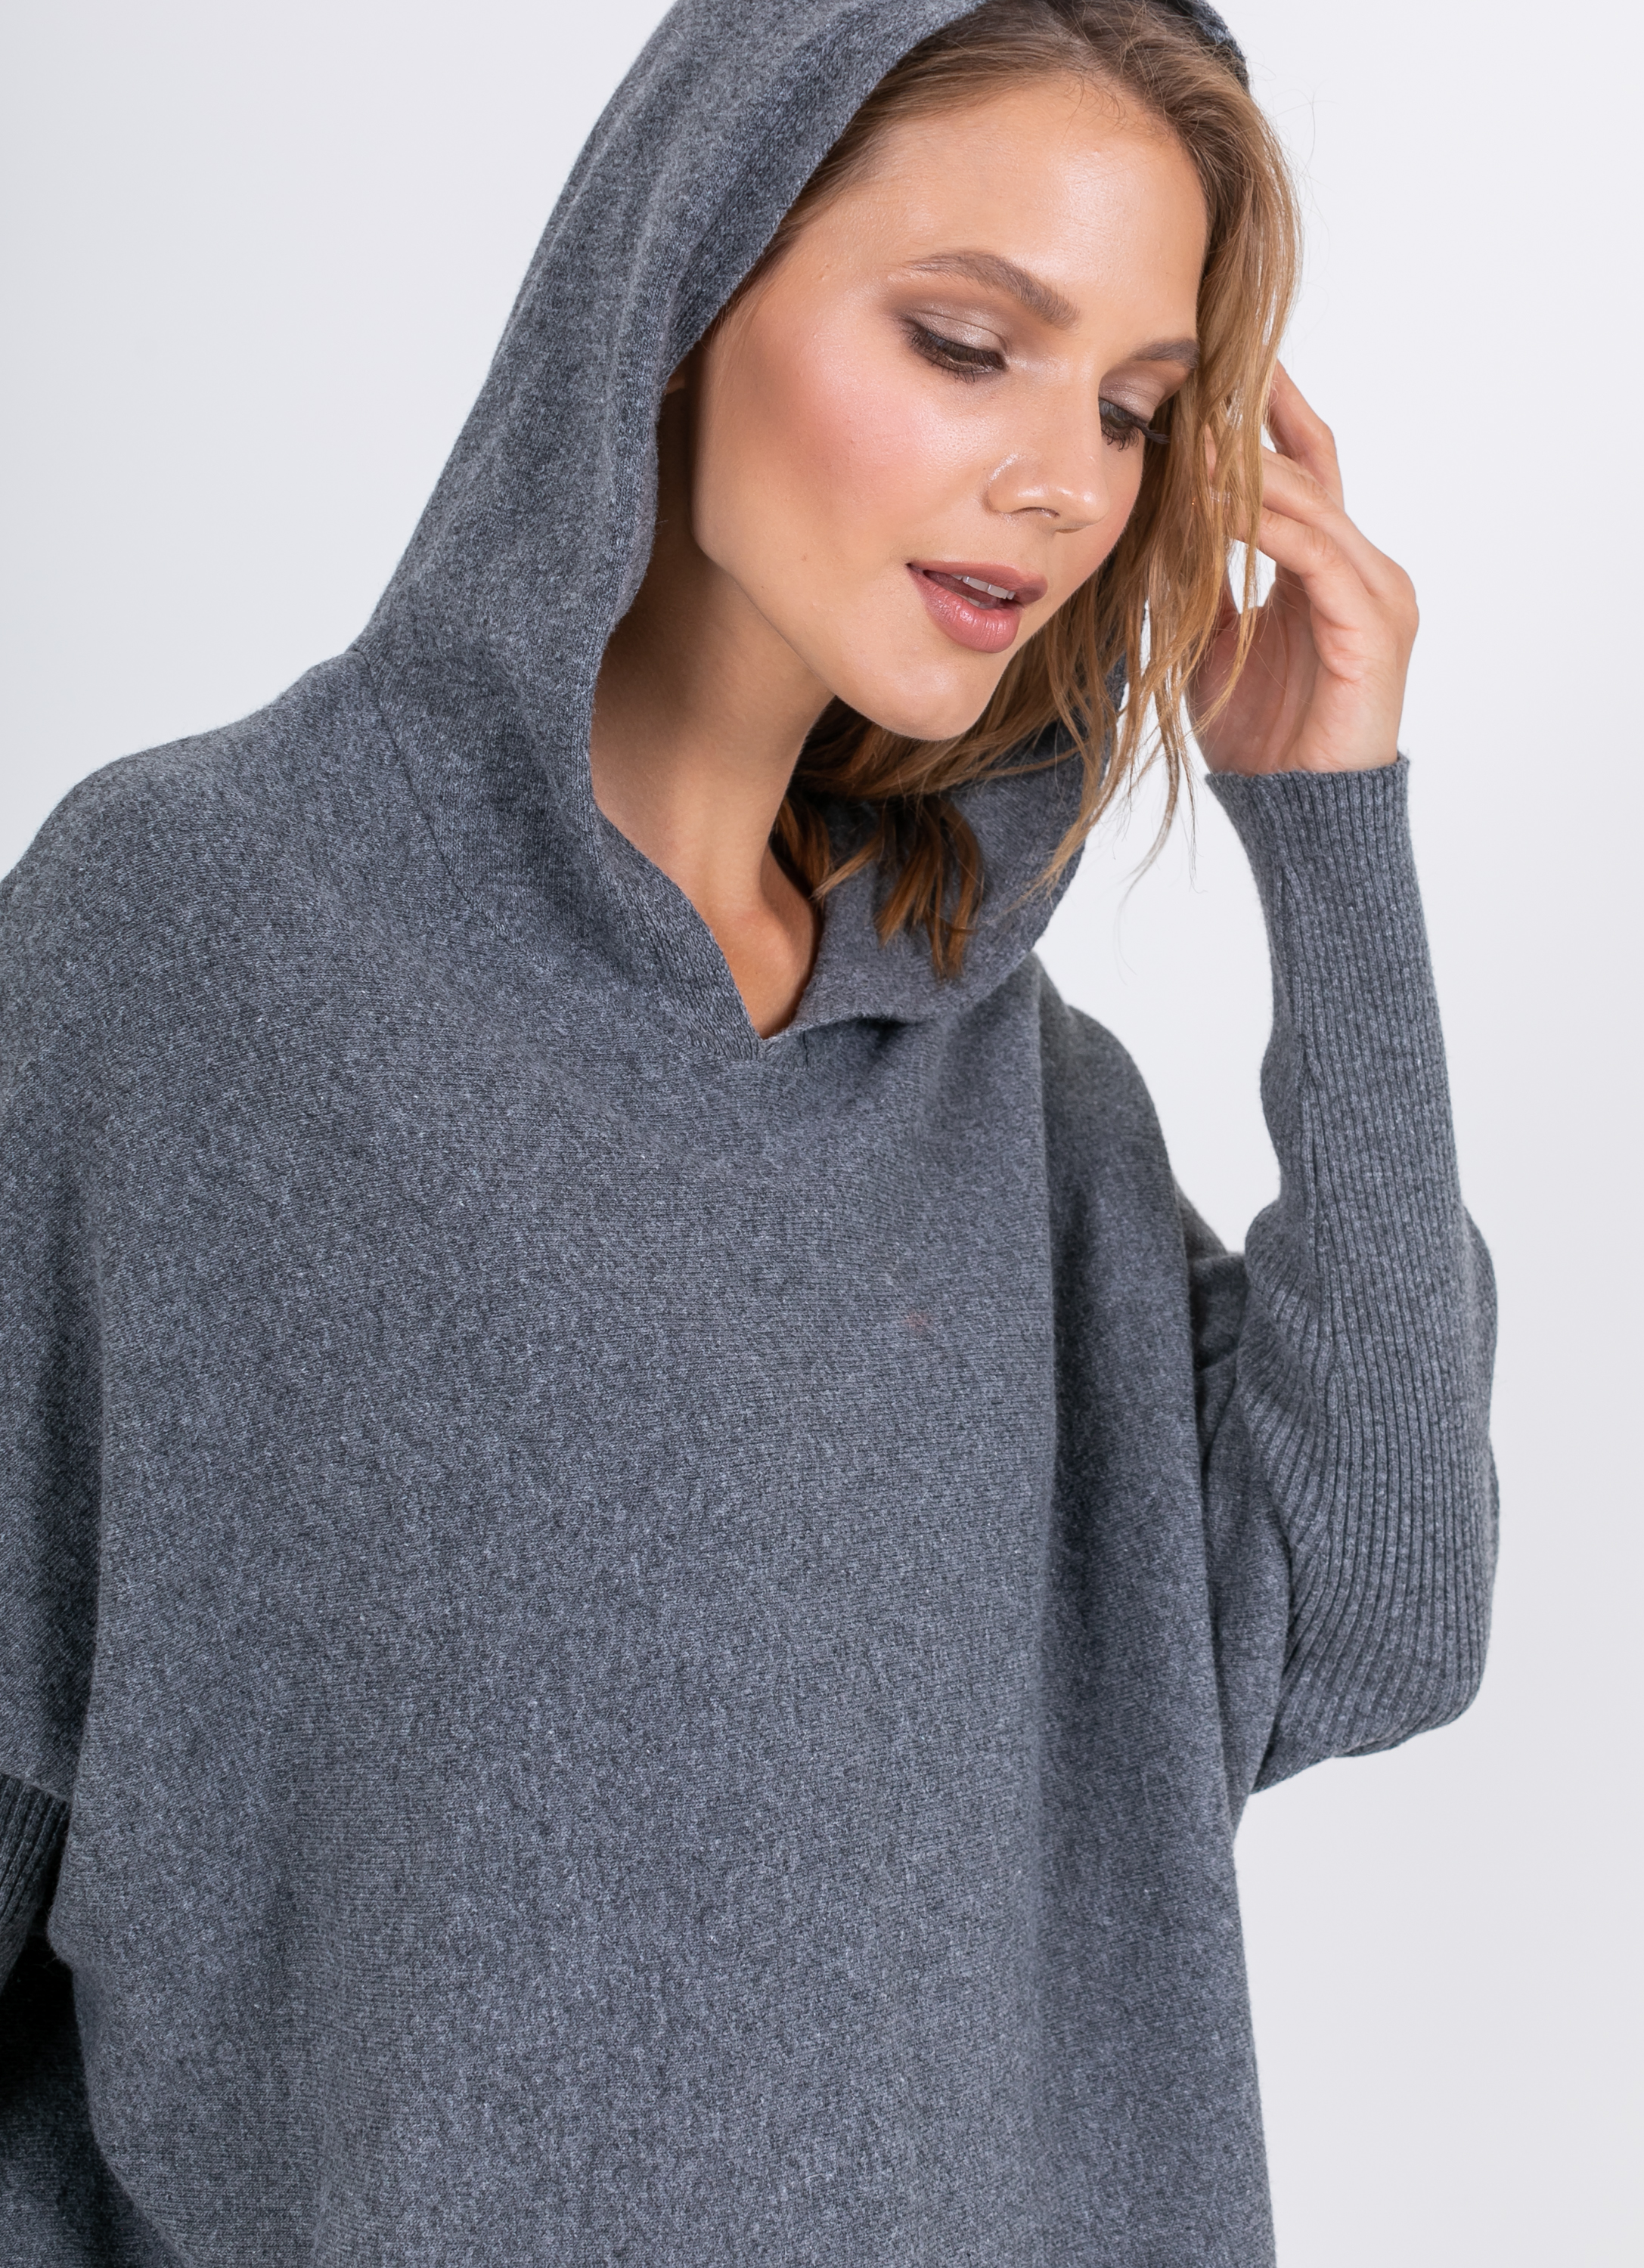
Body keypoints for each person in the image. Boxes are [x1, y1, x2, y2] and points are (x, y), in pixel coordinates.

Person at [0, 0, 1498, 2260]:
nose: (1066, 484)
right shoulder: (199, 939)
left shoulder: (1020, 1100)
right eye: (965, 344)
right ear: (682, 285)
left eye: (1131, 410)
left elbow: (1376, 1616)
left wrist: (1336, 849)